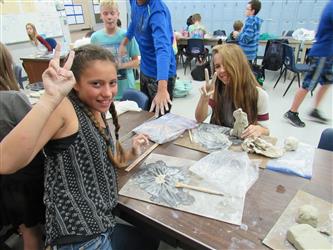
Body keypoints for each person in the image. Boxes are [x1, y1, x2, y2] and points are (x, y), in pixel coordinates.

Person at [0, 44, 159, 250]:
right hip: (80, 237)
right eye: (96, 84)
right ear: (75, 84)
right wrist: (50, 98)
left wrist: (131, 153)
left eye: (112, 82)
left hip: (102, 223)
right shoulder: (64, 108)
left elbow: (103, 158)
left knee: (149, 240)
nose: (107, 92)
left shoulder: (95, 108)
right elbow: (5, 161)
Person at [0, 42, 45, 250]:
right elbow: (40, 132)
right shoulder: (12, 100)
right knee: (32, 234)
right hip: (22, 185)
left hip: (6, 186)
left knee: (26, 227)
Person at [195, 44, 269, 139]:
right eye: (217, 66)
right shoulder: (215, 89)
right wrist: (204, 99)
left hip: (242, 145)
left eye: (227, 65)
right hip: (218, 141)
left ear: (239, 65)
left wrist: (259, 129)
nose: (221, 70)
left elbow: (266, 130)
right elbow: (199, 118)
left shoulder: (259, 95)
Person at [119, 0, 176, 117]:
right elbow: (134, 21)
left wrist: (162, 89)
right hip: (145, 68)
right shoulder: (134, 2)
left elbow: (163, 49)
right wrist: (124, 43)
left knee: (159, 119)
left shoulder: (157, 12)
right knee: (145, 114)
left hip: (161, 75)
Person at [284, 0, 333, 127]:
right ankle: (292, 111)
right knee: (309, 83)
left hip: (328, 52)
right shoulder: (331, 7)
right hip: (322, 52)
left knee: (328, 81)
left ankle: (315, 110)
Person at [91, 0, 140, 100]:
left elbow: (136, 61)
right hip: (105, 91)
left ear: (118, 14)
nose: (109, 17)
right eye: (105, 13)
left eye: (112, 13)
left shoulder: (127, 36)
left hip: (127, 88)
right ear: (101, 15)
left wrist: (121, 65)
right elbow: (93, 63)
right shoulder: (95, 38)